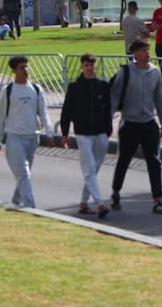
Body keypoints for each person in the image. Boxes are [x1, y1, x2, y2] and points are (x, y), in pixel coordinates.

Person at [109, 40, 162, 215]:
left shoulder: (155, 72)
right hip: (129, 123)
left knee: (154, 162)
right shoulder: (126, 72)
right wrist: (108, 119)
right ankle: (115, 192)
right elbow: (114, 96)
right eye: (143, 50)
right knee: (124, 159)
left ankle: (158, 200)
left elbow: (158, 98)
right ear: (135, 54)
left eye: (148, 50)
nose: (147, 53)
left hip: (148, 123)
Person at [0, 55, 54, 209]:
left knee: (24, 173)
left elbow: (43, 112)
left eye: (27, 66)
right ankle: (30, 206)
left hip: (33, 137)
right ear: (14, 70)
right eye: (21, 68)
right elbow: (0, 117)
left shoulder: (36, 89)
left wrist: (49, 133)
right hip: (14, 138)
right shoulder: (8, 91)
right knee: (23, 174)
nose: (25, 70)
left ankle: (16, 201)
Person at [60, 53, 112, 218]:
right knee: (89, 168)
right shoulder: (75, 87)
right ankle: (99, 203)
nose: (90, 68)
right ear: (82, 67)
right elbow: (67, 111)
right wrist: (65, 132)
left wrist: (108, 130)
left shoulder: (103, 86)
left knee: (94, 169)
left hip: (101, 132)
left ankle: (83, 202)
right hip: (83, 133)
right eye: (86, 65)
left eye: (92, 65)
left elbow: (108, 109)